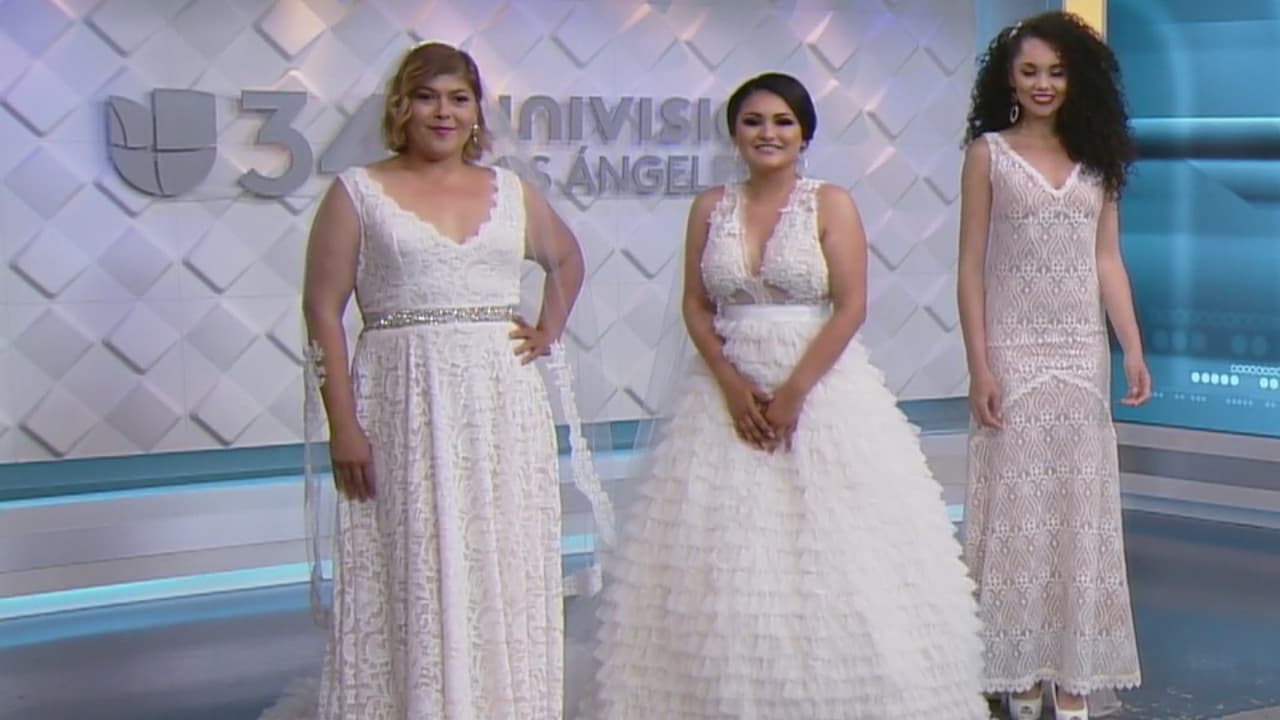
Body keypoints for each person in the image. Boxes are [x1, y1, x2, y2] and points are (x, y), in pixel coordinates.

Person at [568, 72, 989, 719]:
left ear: (804, 135)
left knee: (838, 548)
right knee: (717, 548)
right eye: (754, 121)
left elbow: (850, 306)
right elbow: (695, 303)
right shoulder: (710, 208)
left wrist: (793, 393)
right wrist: (730, 382)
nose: (768, 133)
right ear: (735, 133)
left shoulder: (830, 204)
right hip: (723, 392)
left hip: (821, 387)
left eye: (782, 122)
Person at [260, 41, 611, 720]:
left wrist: (547, 330)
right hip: (401, 403)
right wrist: (342, 425)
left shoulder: (510, 191)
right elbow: (322, 310)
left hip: (500, 402)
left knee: (499, 557)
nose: (443, 113)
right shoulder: (357, 192)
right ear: (402, 106)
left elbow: (567, 259)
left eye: (458, 98)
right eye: (427, 97)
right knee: (416, 560)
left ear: (476, 110)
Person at [957, 11, 1151, 720]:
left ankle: (1072, 680)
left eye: (1057, 71)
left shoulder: (1099, 158)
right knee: (1018, 511)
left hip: (1079, 352)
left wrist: (1131, 346)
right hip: (1012, 351)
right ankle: (1016, 672)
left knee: (1078, 512)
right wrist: (979, 366)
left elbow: (1108, 260)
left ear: (1078, 78)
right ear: (1008, 79)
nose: (1043, 84)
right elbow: (969, 268)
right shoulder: (987, 155)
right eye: (1030, 71)